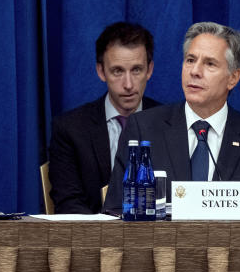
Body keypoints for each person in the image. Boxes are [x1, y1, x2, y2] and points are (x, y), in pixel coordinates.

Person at [104, 21, 240, 213]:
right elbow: (115, 210)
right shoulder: (144, 128)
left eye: (210, 63)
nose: (195, 71)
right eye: (190, 60)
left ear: (233, 78)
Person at [48, 22, 162, 213]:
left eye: (136, 70)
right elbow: (68, 203)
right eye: (117, 71)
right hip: (92, 239)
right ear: (101, 71)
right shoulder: (70, 129)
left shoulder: (169, 122)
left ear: (149, 70)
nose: (128, 84)